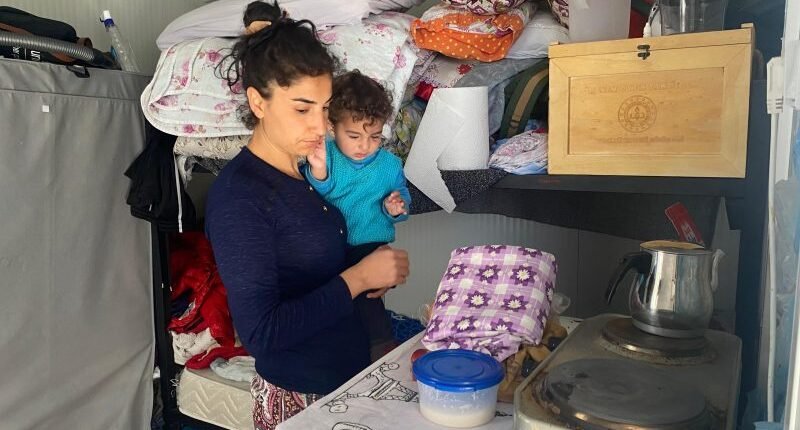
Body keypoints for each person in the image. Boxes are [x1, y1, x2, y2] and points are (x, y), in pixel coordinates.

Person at [205, 2, 410, 429]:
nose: (320, 127)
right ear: (258, 102)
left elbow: (318, 268)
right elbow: (262, 334)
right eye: (302, 109)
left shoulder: (310, 174)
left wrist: (376, 271)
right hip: (300, 398)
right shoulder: (241, 196)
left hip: (347, 379)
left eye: (325, 108)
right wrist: (358, 279)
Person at [303, 70, 412, 363]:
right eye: (354, 136)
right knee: (334, 297)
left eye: (374, 136)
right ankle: (345, 347)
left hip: (369, 243)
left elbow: (402, 198)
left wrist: (396, 207)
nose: (364, 146)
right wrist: (319, 171)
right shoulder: (324, 154)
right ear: (332, 127)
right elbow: (313, 191)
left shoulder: (390, 165)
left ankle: (382, 345)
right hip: (332, 244)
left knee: (369, 299)